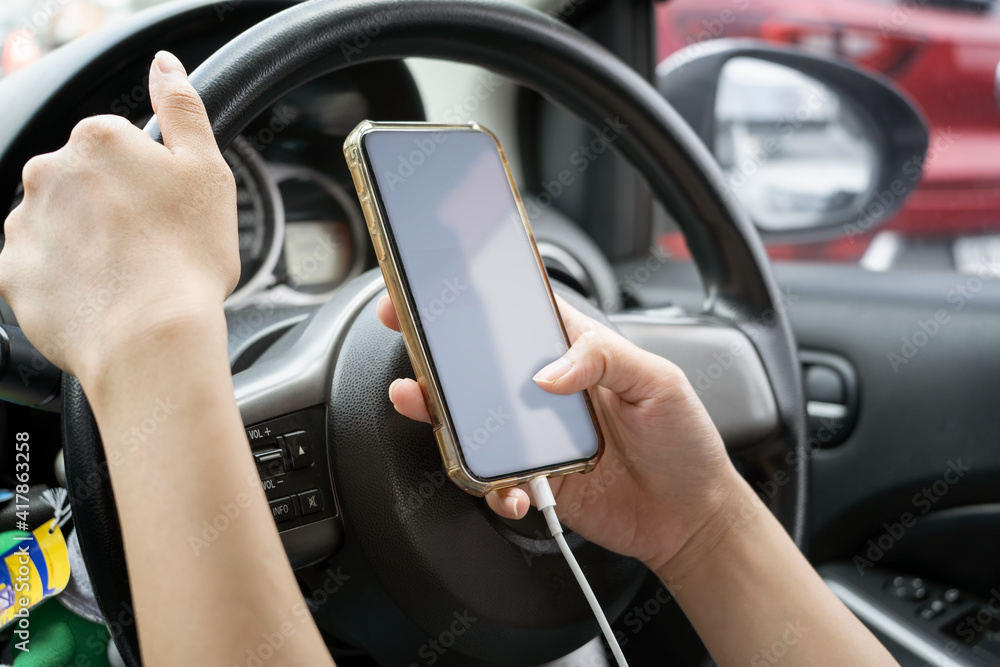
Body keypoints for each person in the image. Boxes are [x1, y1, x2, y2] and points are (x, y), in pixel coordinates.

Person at [0, 52, 897, 666]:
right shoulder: (672, 498)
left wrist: (152, 331)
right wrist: (698, 521)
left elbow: (155, 339)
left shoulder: (152, 327)